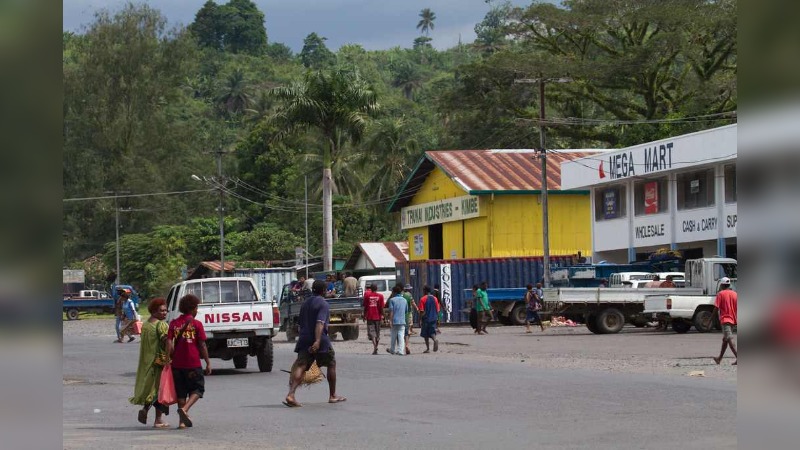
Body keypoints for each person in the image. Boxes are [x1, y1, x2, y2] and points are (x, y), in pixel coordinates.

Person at [284, 280, 346, 407]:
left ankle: (291, 394)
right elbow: (320, 323)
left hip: (304, 338)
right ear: (323, 291)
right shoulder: (323, 304)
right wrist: (317, 341)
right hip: (319, 338)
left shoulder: (305, 303)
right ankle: (332, 395)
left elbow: (300, 324)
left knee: (301, 365)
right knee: (331, 363)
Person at [167, 294, 212, 429]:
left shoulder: (173, 324)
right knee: (198, 389)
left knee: (181, 393)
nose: (197, 310)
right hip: (192, 364)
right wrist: (208, 362)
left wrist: (169, 358)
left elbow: (169, 343)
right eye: (196, 307)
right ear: (192, 308)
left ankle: (181, 422)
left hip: (177, 364)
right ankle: (185, 409)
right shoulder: (197, 324)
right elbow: (202, 345)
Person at [130, 298, 170, 428]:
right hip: (159, 362)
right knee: (160, 391)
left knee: (151, 389)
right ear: (153, 311)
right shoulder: (161, 325)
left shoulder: (146, 325)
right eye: (161, 311)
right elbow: (166, 344)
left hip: (146, 362)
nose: (164, 313)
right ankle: (158, 419)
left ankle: (146, 409)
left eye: (165, 310)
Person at [712, 277, 737, 365]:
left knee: (729, 338)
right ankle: (719, 358)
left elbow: (716, 308)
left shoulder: (721, 294)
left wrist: (710, 319)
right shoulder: (735, 294)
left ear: (722, 285)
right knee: (725, 339)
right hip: (733, 319)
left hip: (725, 319)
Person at [362, 283, 385, 355]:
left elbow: (365, 307)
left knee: (371, 332)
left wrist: (364, 315)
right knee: (377, 333)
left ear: (370, 289)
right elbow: (381, 307)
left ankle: (375, 346)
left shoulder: (367, 296)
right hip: (378, 317)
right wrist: (383, 315)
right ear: (377, 288)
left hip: (370, 316)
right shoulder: (381, 296)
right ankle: (376, 347)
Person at [386, 284, 407, 356]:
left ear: (394, 292)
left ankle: (392, 349)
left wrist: (390, 321)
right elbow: (406, 310)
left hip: (394, 320)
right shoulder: (404, 300)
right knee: (401, 336)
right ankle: (401, 350)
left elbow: (391, 311)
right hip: (402, 320)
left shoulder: (392, 300)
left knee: (393, 336)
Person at [418, 285, 440, 353]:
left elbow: (421, 311)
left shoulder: (423, 299)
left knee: (425, 334)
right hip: (434, 318)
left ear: (425, 291)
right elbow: (437, 310)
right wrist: (438, 319)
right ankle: (435, 339)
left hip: (426, 319)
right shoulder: (435, 298)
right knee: (432, 331)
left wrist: (420, 320)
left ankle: (428, 348)